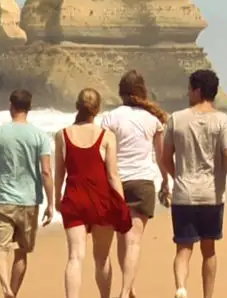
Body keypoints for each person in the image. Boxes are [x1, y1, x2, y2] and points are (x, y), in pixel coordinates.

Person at [161, 69, 227, 298]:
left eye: (189, 89)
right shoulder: (224, 121)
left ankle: (181, 288)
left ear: (197, 91)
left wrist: (179, 176)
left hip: (184, 194)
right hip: (211, 195)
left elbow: (165, 157)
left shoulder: (176, 119)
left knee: (183, 248)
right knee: (209, 250)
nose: (187, 93)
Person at [54, 88, 133, 298]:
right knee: (102, 258)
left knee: (75, 257)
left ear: (77, 106)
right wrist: (122, 204)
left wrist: (56, 200)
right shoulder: (106, 136)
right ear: (97, 109)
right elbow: (113, 175)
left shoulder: (62, 135)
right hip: (101, 201)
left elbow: (59, 174)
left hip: (74, 198)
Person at [99, 70, 169, 298]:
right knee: (134, 241)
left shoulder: (110, 118)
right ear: (142, 91)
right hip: (142, 182)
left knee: (122, 237)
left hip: (115, 182)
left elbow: (102, 152)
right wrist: (166, 181)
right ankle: (126, 290)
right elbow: (160, 157)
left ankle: (129, 288)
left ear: (121, 92)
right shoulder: (153, 119)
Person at [0, 89, 54, 298]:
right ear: (29, 108)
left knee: (0, 249)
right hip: (29, 201)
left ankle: (5, 287)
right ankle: (12, 293)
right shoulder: (40, 136)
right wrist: (51, 203)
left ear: (10, 106)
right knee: (21, 252)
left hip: (3, 199)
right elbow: (46, 172)